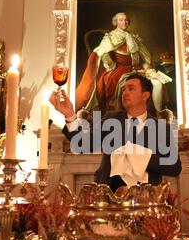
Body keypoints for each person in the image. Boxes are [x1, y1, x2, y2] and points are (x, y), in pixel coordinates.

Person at [50, 72, 182, 193]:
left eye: (131, 88)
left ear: (145, 95)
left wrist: (142, 156)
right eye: (123, 89)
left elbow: (174, 167)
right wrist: (70, 115)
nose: (124, 92)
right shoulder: (111, 119)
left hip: (145, 199)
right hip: (108, 195)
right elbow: (83, 143)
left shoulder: (161, 127)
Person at [75, 12, 152, 114]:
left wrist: (147, 65)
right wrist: (110, 65)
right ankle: (118, 112)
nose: (124, 22)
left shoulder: (133, 36)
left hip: (135, 68)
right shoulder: (110, 36)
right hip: (118, 68)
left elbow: (146, 55)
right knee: (113, 80)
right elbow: (102, 52)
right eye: (121, 20)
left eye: (126, 20)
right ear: (116, 22)